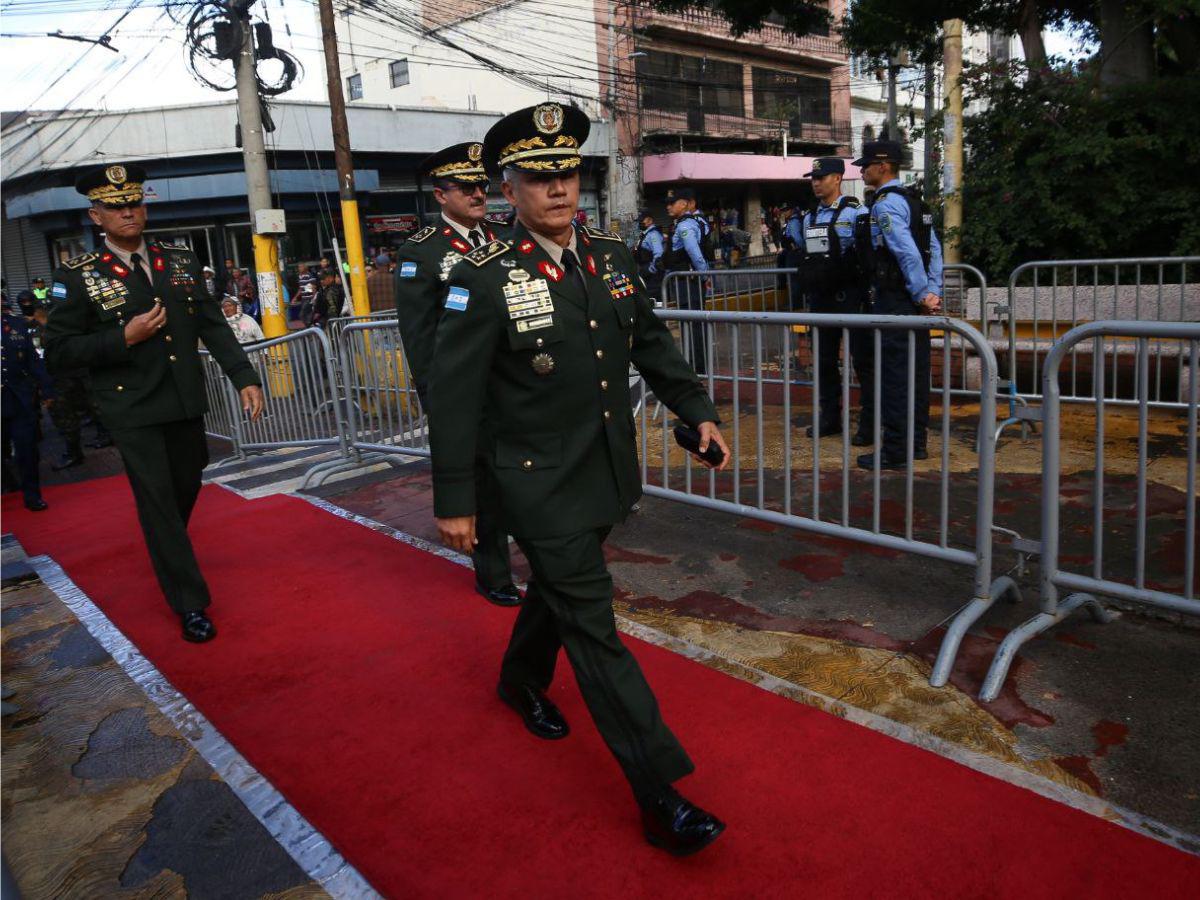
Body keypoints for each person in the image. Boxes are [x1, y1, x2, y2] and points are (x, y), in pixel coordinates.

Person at [431, 102, 731, 855]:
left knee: (559, 593)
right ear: (509, 189)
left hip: (605, 472)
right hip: (534, 483)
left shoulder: (609, 254)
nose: (558, 189)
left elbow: (653, 345)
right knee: (595, 630)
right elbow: (455, 397)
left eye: (566, 173)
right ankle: (660, 794)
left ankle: (520, 679)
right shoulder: (483, 277)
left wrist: (696, 411)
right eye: (539, 178)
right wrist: (455, 499)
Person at [44, 163, 265, 643]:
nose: (128, 213)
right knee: (159, 500)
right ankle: (190, 602)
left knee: (186, 481)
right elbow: (59, 350)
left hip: (184, 400)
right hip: (130, 407)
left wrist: (244, 377)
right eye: (116, 206)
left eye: (134, 203)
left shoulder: (180, 261)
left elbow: (211, 324)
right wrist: (122, 337)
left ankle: (166, 545)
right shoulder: (78, 275)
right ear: (96, 215)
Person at [393, 141, 519, 607]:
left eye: (480, 185)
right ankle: (494, 573)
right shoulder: (421, 253)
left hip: (518, 382)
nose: (477, 194)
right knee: (484, 480)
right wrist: (438, 398)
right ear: (440, 196)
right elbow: (420, 336)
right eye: (464, 188)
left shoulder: (507, 237)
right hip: (468, 388)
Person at [852, 140, 943, 470]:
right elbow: (934, 250)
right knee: (917, 376)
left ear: (883, 166)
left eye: (867, 165)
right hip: (914, 301)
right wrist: (931, 292)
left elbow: (906, 253)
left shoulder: (886, 205)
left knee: (894, 376)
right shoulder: (916, 201)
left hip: (896, 299)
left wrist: (920, 294)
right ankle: (916, 444)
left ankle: (894, 450)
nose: (862, 170)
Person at [795, 157, 874, 443]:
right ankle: (830, 418)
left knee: (862, 362)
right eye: (813, 178)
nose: (816, 182)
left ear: (838, 178)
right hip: (822, 299)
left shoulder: (856, 212)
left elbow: (867, 255)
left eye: (822, 177)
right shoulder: (809, 217)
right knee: (824, 361)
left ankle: (869, 422)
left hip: (850, 297)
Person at [2, 291, 53, 511]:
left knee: (27, 450)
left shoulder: (16, 325)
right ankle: (8, 486)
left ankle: (31, 495)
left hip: (19, 399)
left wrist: (47, 390)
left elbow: (33, 361)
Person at [664, 187, 712, 373]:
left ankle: (697, 368)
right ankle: (695, 366)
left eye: (672, 202)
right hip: (688, 282)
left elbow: (694, 253)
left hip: (689, 283)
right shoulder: (685, 223)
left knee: (693, 325)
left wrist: (704, 275)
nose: (668, 207)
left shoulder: (684, 225)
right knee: (692, 324)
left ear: (684, 204)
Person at [635, 209, 665, 300]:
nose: (640, 222)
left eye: (642, 220)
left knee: (654, 301)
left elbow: (659, 254)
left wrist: (650, 270)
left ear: (650, 220)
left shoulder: (653, 234)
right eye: (639, 220)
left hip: (653, 278)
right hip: (647, 275)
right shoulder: (646, 234)